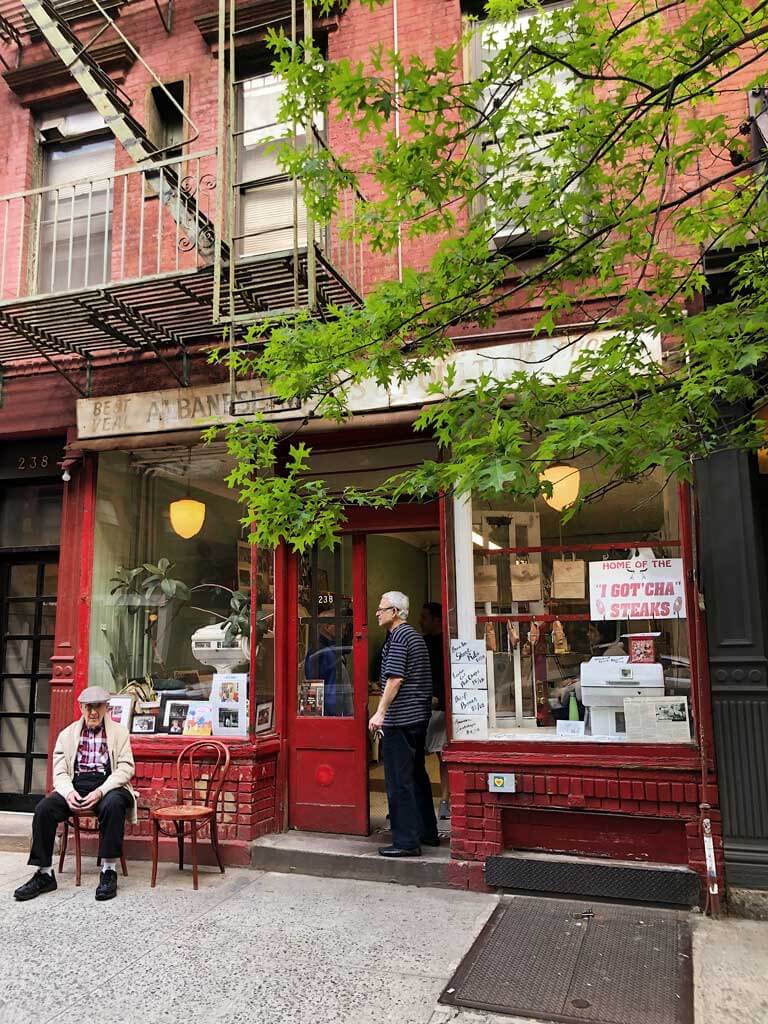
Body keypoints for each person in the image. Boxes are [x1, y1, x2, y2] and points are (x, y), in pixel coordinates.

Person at [13, 685, 137, 903]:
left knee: (113, 804)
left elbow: (126, 769)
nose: (93, 713)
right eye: (88, 707)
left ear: (106, 708)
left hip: (108, 784)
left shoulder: (119, 732)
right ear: (81, 707)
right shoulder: (67, 734)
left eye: (97, 707)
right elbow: (59, 772)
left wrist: (100, 791)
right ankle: (44, 874)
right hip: (76, 784)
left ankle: (108, 871)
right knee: (44, 809)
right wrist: (68, 793)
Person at [369, 591, 439, 857]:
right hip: (418, 718)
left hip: (401, 720)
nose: (377, 612)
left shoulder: (398, 637)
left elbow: (395, 679)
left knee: (399, 781)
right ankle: (426, 831)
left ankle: (406, 841)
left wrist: (380, 713)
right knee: (416, 776)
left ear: (395, 612)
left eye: (382, 608)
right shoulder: (416, 638)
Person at [419, 601, 450, 820]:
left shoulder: (445, 643)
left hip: (439, 706)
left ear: (437, 620)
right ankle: (418, 802)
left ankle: (446, 800)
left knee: (443, 755)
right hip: (421, 705)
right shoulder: (421, 642)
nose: (421, 621)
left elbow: (446, 673)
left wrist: (439, 697)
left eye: (425, 617)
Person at [303, 604, 353, 716]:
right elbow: (317, 689)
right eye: (341, 627)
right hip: (332, 717)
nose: (344, 632)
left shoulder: (327, 651)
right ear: (327, 627)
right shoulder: (323, 653)